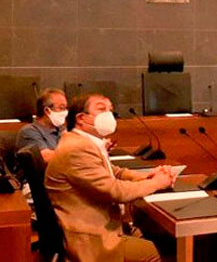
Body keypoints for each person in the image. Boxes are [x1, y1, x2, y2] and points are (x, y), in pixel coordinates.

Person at [45, 93, 176, 262]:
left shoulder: (84, 142)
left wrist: (148, 176)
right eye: (101, 109)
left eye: (110, 110)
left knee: (155, 234)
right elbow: (115, 191)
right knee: (156, 251)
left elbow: (114, 172)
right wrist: (156, 183)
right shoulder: (77, 148)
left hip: (102, 224)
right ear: (81, 118)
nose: (109, 115)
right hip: (91, 239)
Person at [15, 88, 68, 163]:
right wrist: (75, 153)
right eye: (61, 108)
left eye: (65, 108)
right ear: (47, 111)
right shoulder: (29, 131)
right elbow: (45, 157)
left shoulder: (61, 129)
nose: (65, 112)